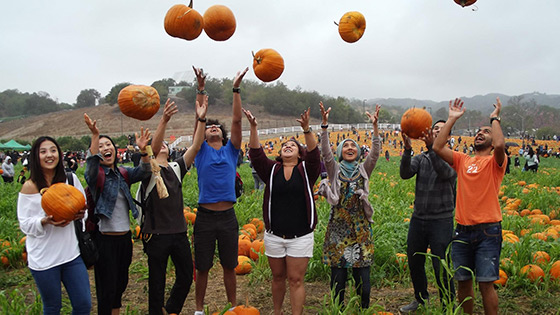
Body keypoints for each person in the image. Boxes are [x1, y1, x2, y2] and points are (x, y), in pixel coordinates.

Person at [433, 98, 506, 315]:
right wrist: (452, 119)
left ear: (493, 140)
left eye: (486, 132)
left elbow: (501, 145)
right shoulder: (463, 159)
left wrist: (495, 119)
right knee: (463, 282)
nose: (480, 133)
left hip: (488, 231)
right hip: (462, 231)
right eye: (478, 131)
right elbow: (437, 146)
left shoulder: (495, 162)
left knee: (486, 283)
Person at [245, 105, 321, 315]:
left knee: (296, 280)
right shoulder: (271, 170)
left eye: (293, 145)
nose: (288, 146)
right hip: (275, 235)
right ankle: (277, 312)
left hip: (300, 236)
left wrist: (306, 130)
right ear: (280, 152)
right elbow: (256, 154)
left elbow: (315, 155)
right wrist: (253, 128)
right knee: (278, 277)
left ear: (300, 152)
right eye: (285, 145)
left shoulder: (307, 170)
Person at [140, 96, 208, 315]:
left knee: (186, 275)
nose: (163, 147)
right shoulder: (149, 171)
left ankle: (170, 310)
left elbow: (197, 145)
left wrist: (201, 119)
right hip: (156, 235)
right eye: (161, 146)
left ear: (170, 152)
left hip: (178, 232)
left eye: (166, 146)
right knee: (157, 281)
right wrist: (165, 119)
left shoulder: (177, 168)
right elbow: (154, 146)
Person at [192, 66, 248, 315]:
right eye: (208, 127)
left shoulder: (230, 150)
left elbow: (237, 120)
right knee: (202, 266)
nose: (213, 128)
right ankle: (199, 309)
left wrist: (236, 89)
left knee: (229, 265)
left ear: (223, 136)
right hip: (204, 217)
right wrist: (201, 89)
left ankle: (233, 306)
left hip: (227, 217)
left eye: (217, 128)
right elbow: (198, 117)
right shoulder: (199, 151)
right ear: (203, 135)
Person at [84, 114, 152, 315]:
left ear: (115, 149)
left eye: (109, 145)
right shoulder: (97, 177)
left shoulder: (123, 173)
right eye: (102, 146)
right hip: (104, 241)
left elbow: (145, 172)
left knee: (120, 286)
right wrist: (95, 135)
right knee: (106, 290)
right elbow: (90, 168)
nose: (106, 148)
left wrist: (143, 151)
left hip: (124, 240)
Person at [17, 136, 91, 314]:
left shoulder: (70, 180)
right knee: (52, 307)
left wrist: (79, 215)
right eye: (43, 152)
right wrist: (44, 221)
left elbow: (84, 209)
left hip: (71, 254)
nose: (49, 155)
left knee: (83, 305)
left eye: (53, 150)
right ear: (36, 156)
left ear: (59, 154)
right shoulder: (29, 187)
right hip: (44, 260)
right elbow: (25, 225)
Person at [318, 102, 381, 309]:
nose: (350, 148)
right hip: (338, 230)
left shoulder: (364, 169)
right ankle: (339, 310)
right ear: (339, 152)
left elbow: (375, 153)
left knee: (364, 281)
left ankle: (363, 309)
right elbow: (325, 152)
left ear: (358, 152)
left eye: (353, 145)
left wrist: (375, 128)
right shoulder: (334, 169)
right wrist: (325, 127)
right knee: (338, 279)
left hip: (361, 229)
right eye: (345, 145)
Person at [398, 120, 457, 313]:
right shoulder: (422, 158)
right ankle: (420, 298)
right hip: (419, 218)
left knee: (441, 264)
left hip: (442, 219)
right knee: (415, 260)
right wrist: (407, 150)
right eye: (435, 130)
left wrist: (432, 147)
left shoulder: (454, 159)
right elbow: (405, 174)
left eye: (441, 130)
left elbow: (443, 171)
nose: (437, 132)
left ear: (447, 136)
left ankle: (448, 303)